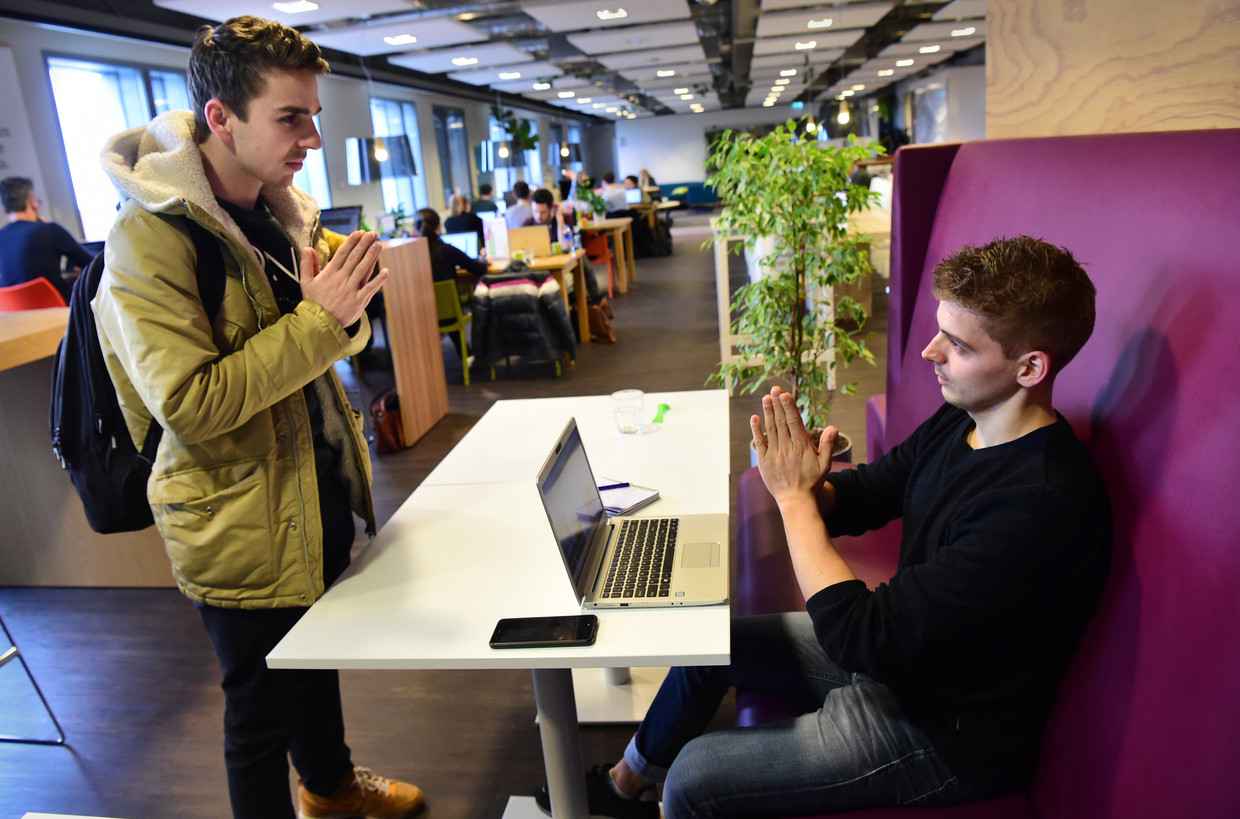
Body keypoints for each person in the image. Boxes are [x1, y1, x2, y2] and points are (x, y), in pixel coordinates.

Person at [538, 236, 1112, 818]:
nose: (930, 352)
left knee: (691, 779)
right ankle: (626, 782)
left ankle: (655, 785)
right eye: (940, 331)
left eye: (958, 345)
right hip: (905, 664)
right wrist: (814, 483)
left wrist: (794, 501)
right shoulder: (964, 418)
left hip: (943, 734)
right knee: (710, 646)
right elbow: (872, 492)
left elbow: (861, 637)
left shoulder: (1036, 505)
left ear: (1029, 367)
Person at [93, 16, 424, 819]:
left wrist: (339, 313)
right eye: (290, 117)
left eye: (313, 114)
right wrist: (321, 321)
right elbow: (190, 403)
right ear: (221, 118)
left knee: (311, 663)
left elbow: (340, 327)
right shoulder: (149, 239)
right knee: (258, 711)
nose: (312, 137)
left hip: (305, 484)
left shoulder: (282, 208)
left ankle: (331, 787)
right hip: (231, 512)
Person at [0, 176, 94, 302]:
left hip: (13, 312)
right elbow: (92, 263)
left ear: (4, 210)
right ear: (33, 203)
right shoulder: (50, 230)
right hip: (54, 309)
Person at [526, 188, 600, 302]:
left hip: (561, 262)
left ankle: (596, 299)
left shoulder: (565, 219)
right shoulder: (528, 224)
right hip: (539, 265)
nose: (538, 216)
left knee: (582, 260)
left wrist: (559, 218)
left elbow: (565, 245)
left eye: (542, 212)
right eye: (535, 211)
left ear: (551, 208)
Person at [415, 207, 486, 287]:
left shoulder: (413, 256)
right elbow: (479, 269)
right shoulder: (447, 250)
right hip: (450, 295)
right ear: (438, 226)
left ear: (416, 229)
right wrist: (483, 260)